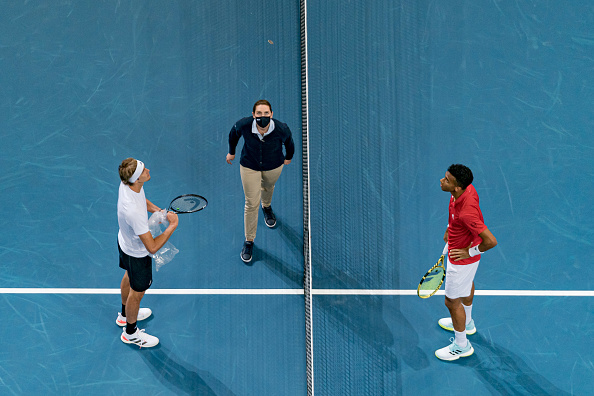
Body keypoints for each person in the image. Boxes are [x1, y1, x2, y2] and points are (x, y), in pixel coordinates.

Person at [435, 164, 497, 361]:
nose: (441, 181)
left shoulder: (466, 212)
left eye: (446, 180)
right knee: (467, 284)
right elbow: (454, 213)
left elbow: (491, 241)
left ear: (457, 187)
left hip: (461, 259)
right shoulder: (466, 190)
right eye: (445, 177)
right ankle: (468, 323)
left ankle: (462, 345)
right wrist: (449, 228)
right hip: (463, 252)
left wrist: (468, 252)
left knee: (451, 302)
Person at [116, 158, 179, 347]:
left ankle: (125, 315)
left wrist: (158, 211)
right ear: (137, 179)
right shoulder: (134, 212)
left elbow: (141, 199)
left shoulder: (128, 184)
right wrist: (172, 226)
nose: (148, 170)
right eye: (144, 171)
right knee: (138, 293)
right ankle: (130, 333)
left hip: (124, 243)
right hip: (136, 254)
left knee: (129, 275)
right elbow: (151, 247)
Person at [226, 100, 295, 263]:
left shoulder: (281, 129)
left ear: (271, 114)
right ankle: (249, 240)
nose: (262, 117)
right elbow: (233, 134)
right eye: (259, 114)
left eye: (266, 113)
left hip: (274, 166)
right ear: (253, 115)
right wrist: (231, 152)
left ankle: (267, 206)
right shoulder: (243, 125)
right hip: (249, 166)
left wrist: (288, 157)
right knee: (251, 203)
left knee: (268, 187)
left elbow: (289, 143)